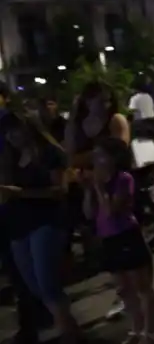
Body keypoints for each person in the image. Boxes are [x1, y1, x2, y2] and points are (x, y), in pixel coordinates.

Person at [0, 113, 80, 344]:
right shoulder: (11, 157)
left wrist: (21, 193)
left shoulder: (49, 153)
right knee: (34, 285)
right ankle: (71, 327)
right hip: (18, 225)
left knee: (47, 283)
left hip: (46, 221)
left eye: (15, 130)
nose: (11, 136)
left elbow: (59, 191)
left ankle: (69, 334)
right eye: (7, 133)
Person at [83, 137, 154, 344]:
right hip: (108, 239)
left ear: (114, 157)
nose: (96, 160)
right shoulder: (99, 182)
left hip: (126, 235)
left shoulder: (123, 179)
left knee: (141, 286)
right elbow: (89, 213)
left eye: (101, 155)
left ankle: (149, 332)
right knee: (123, 289)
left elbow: (111, 211)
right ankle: (136, 328)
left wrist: (99, 188)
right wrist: (89, 191)